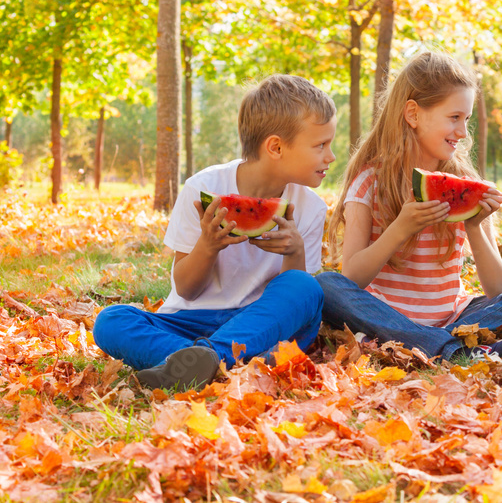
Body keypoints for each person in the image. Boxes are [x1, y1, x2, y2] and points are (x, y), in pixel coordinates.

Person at [93, 75, 335, 389]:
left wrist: (295, 252)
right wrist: (207, 247)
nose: (330, 156)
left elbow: (292, 303)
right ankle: (215, 364)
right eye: (320, 146)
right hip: (192, 320)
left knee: (306, 287)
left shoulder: (310, 206)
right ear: (275, 147)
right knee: (111, 321)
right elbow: (186, 289)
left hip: (258, 326)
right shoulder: (203, 188)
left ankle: (201, 363)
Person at [319, 51, 502, 363]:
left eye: (467, 120)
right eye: (454, 118)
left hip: (454, 317)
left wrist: (474, 226)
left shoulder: (465, 181)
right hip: (386, 312)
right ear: (413, 114)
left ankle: (420, 345)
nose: (462, 132)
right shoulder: (369, 182)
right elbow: (352, 277)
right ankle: (457, 350)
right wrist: (400, 229)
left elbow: (497, 288)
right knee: (327, 286)